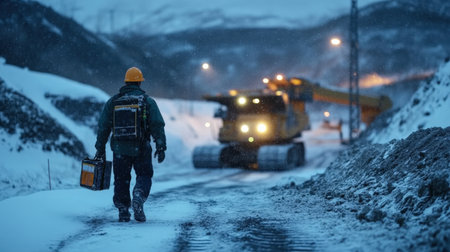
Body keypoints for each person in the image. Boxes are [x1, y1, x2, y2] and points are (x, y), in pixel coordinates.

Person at [94, 67, 166, 222]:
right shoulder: (147, 101)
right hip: (141, 147)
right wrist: (160, 146)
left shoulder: (113, 102)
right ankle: (139, 196)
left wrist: (100, 148)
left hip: (120, 149)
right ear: (140, 82)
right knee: (144, 175)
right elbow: (157, 125)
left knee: (121, 178)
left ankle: (123, 210)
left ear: (126, 82)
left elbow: (103, 127)